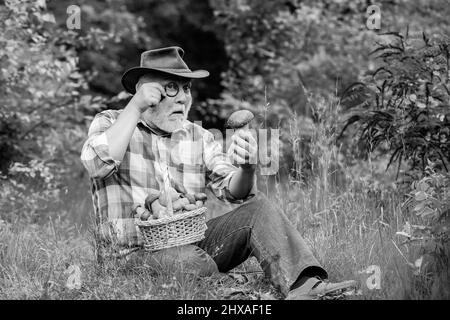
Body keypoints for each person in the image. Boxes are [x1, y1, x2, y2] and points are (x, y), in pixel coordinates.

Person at [80, 46, 356, 299]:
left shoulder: (197, 136)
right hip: (133, 255)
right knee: (183, 259)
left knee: (258, 208)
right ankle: (228, 292)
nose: (184, 98)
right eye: (172, 88)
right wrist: (135, 107)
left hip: (193, 244)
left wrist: (248, 167)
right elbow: (97, 164)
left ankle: (304, 286)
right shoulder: (112, 121)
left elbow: (235, 192)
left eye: (186, 88)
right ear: (145, 92)